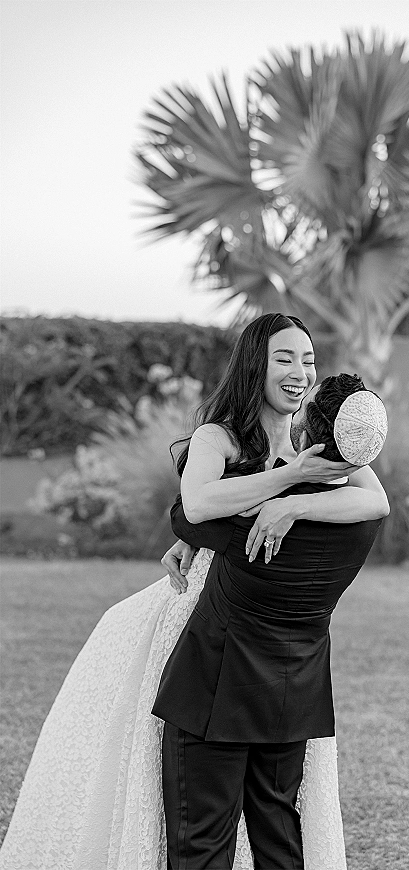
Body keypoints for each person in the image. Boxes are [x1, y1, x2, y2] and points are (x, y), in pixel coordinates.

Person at [0, 314, 388, 870]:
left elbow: (374, 502)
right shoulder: (220, 439)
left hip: (236, 669)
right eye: (286, 358)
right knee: (243, 833)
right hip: (255, 665)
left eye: (308, 360)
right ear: (256, 364)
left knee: (222, 837)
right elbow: (201, 505)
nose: (301, 372)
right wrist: (279, 486)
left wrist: (291, 503)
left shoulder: (323, 455)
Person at [159, 372, 389, 869]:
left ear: (309, 431)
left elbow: (187, 514)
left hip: (215, 693)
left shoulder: (257, 509)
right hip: (292, 697)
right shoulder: (364, 522)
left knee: (201, 844)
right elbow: (374, 493)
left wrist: (284, 489)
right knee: (280, 839)